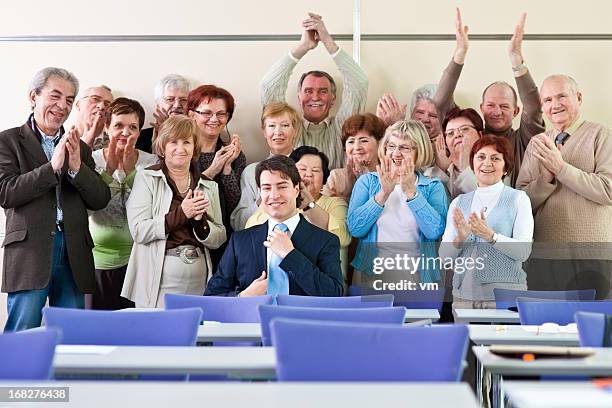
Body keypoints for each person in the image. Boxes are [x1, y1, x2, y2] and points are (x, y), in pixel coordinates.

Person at [0, 67, 111, 332]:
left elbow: (100, 199)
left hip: (74, 251)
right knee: (22, 332)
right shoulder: (8, 141)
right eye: (55, 96)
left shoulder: (80, 147)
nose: (62, 106)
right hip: (30, 251)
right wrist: (52, 167)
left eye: (70, 100)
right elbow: (6, 192)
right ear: (33, 96)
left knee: (72, 335)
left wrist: (76, 168)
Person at [516, 74, 612, 299]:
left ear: (578, 97)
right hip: (545, 257)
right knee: (545, 327)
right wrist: (546, 179)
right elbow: (521, 202)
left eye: (561, 96)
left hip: (593, 255)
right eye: (548, 100)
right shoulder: (537, 143)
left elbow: (608, 190)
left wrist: (561, 169)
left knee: (595, 327)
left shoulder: (602, 135)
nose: (554, 104)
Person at [121, 116, 225, 308]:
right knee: (160, 336)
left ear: (194, 147)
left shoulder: (208, 185)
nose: (180, 148)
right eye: (173, 142)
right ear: (163, 147)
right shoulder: (147, 178)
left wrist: (199, 222)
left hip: (199, 279)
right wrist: (182, 213)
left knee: (196, 336)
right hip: (157, 279)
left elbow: (219, 238)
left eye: (186, 142)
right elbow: (139, 230)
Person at [205, 155, 343, 297]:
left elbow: (334, 294)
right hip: (253, 319)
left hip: (301, 319)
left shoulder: (326, 241)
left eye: (282, 186)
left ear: (296, 189)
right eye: (266, 188)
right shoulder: (239, 241)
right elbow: (212, 295)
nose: (274, 195)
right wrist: (243, 297)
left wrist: (290, 255)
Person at [436, 10, 545, 187]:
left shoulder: (524, 139)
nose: (497, 112)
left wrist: (516, 61)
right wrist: (460, 54)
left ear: (516, 111)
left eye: (504, 106)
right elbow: (440, 103)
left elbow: (533, 108)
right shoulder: (469, 135)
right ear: (482, 107)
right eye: (491, 105)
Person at [347, 120, 448, 290]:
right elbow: (355, 228)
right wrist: (383, 193)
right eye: (391, 146)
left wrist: (411, 193)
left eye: (405, 148)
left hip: (417, 280)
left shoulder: (433, 187)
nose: (396, 153)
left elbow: (434, 232)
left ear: (419, 152)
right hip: (371, 278)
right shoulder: (368, 182)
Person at [261, 12, 368, 169]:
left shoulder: (342, 128)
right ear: (299, 96)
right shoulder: (289, 128)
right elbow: (268, 86)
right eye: (308, 91)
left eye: (323, 91)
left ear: (333, 98)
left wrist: (327, 41)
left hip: (336, 194)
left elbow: (359, 83)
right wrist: (303, 47)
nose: (315, 97)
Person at [440, 135, 533, 310]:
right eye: (481, 157)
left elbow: (523, 251)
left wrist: (491, 236)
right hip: (463, 297)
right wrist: (460, 238)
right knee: (465, 339)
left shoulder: (518, 199)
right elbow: (444, 258)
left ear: (506, 167)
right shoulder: (459, 202)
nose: (487, 163)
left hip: (504, 296)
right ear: (473, 164)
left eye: (496, 158)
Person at [87, 97, 159, 310]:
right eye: (118, 125)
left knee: (133, 329)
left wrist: (131, 174)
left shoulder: (152, 163)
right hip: (96, 262)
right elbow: (88, 207)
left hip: (137, 260)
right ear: (107, 127)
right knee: (97, 331)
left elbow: (153, 210)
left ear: (139, 131)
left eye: (133, 127)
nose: (126, 133)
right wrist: (108, 172)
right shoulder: (92, 160)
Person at [246, 147, 351, 286]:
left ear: (324, 177)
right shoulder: (275, 201)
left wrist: (308, 204)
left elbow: (343, 238)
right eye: (302, 169)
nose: (308, 175)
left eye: (315, 170)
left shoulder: (335, 203)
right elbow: (252, 229)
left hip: (324, 284)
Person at [188, 84, 246, 267]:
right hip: (188, 239)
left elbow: (233, 206)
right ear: (191, 114)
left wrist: (227, 167)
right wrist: (213, 170)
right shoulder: (182, 152)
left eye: (221, 114)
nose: (214, 119)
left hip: (224, 239)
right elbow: (181, 196)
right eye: (206, 113)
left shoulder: (234, 154)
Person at [230, 102, 301, 231]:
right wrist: (261, 200)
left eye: (285, 125)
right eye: (271, 126)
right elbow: (238, 224)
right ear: (264, 131)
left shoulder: (307, 169)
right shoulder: (251, 172)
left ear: (295, 130)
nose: (278, 132)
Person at [323, 113, 386, 202]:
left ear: (380, 143)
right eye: (351, 141)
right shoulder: (335, 178)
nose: (356, 147)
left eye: (364, 140)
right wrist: (347, 194)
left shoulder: (390, 177)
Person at [426, 108, 484, 199]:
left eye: (464, 129)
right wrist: (441, 170)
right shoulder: (436, 172)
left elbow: (488, 201)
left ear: (480, 135)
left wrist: (464, 167)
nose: (457, 135)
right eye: (450, 133)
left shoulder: (495, 166)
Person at [136, 74, 191, 153]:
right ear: (158, 104)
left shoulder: (196, 136)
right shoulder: (141, 138)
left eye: (183, 100)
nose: (177, 105)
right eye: (170, 99)